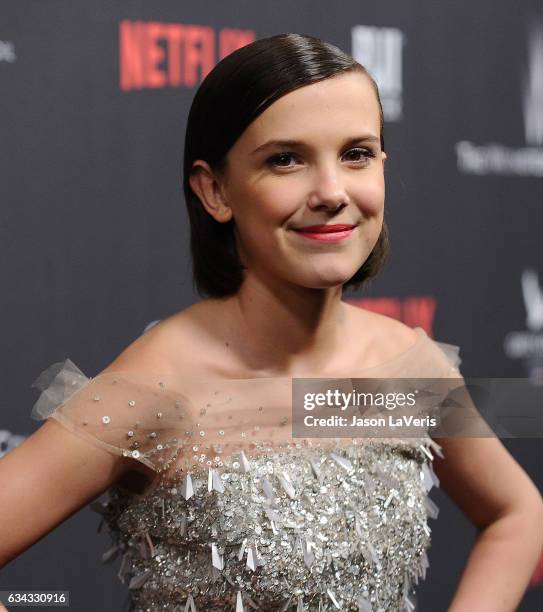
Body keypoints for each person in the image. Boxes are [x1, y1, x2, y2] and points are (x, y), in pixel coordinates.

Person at [1, 32, 542, 612]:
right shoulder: (160, 388)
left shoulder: (404, 370)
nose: (332, 192)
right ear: (215, 190)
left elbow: (516, 513)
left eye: (356, 153)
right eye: (285, 159)